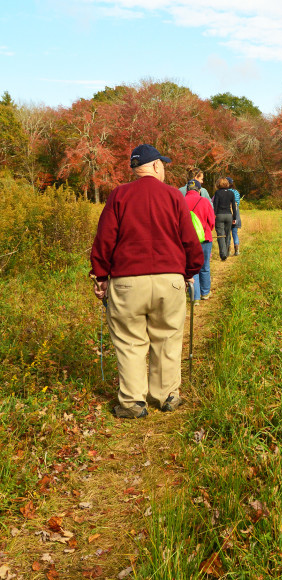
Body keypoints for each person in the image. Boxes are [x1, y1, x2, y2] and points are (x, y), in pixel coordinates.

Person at [90, 144, 204, 419]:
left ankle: (132, 402)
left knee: (130, 341)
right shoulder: (174, 197)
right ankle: (167, 395)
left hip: (127, 281)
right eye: (162, 164)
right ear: (155, 166)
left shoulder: (119, 195)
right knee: (168, 336)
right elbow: (189, 239)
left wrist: (101, 276)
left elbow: (105, 239)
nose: (164, 169)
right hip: (169, 279)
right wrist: (189, 271)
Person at [184, 179, 215, 303]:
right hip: (205, 238)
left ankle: (195, 297)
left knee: (192, 267)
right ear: (199, 190)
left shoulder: (181, 201)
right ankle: (205, 293)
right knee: (205, 266)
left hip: (188, 240)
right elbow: (212, 221)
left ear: (187, 190)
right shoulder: (204, 201)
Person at [212, 177, 238, 261]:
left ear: (218, 184)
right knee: (227, 234)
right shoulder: (231, 193)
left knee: (221, 235)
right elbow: (234, 207)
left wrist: (214, 215)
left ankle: (223, 253)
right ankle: (226, 252)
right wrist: (234, 218)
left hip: (219, 215)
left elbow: (215, 205)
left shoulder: (217, 193)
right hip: (228, 215)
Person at [227, 176, 242, 256]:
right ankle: (237, 250)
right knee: (235, 233)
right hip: (236, 213)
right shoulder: (236, 192)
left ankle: (228, 250)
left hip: (228, 213)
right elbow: (237, 203)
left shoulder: (226, 191)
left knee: (228, 233)